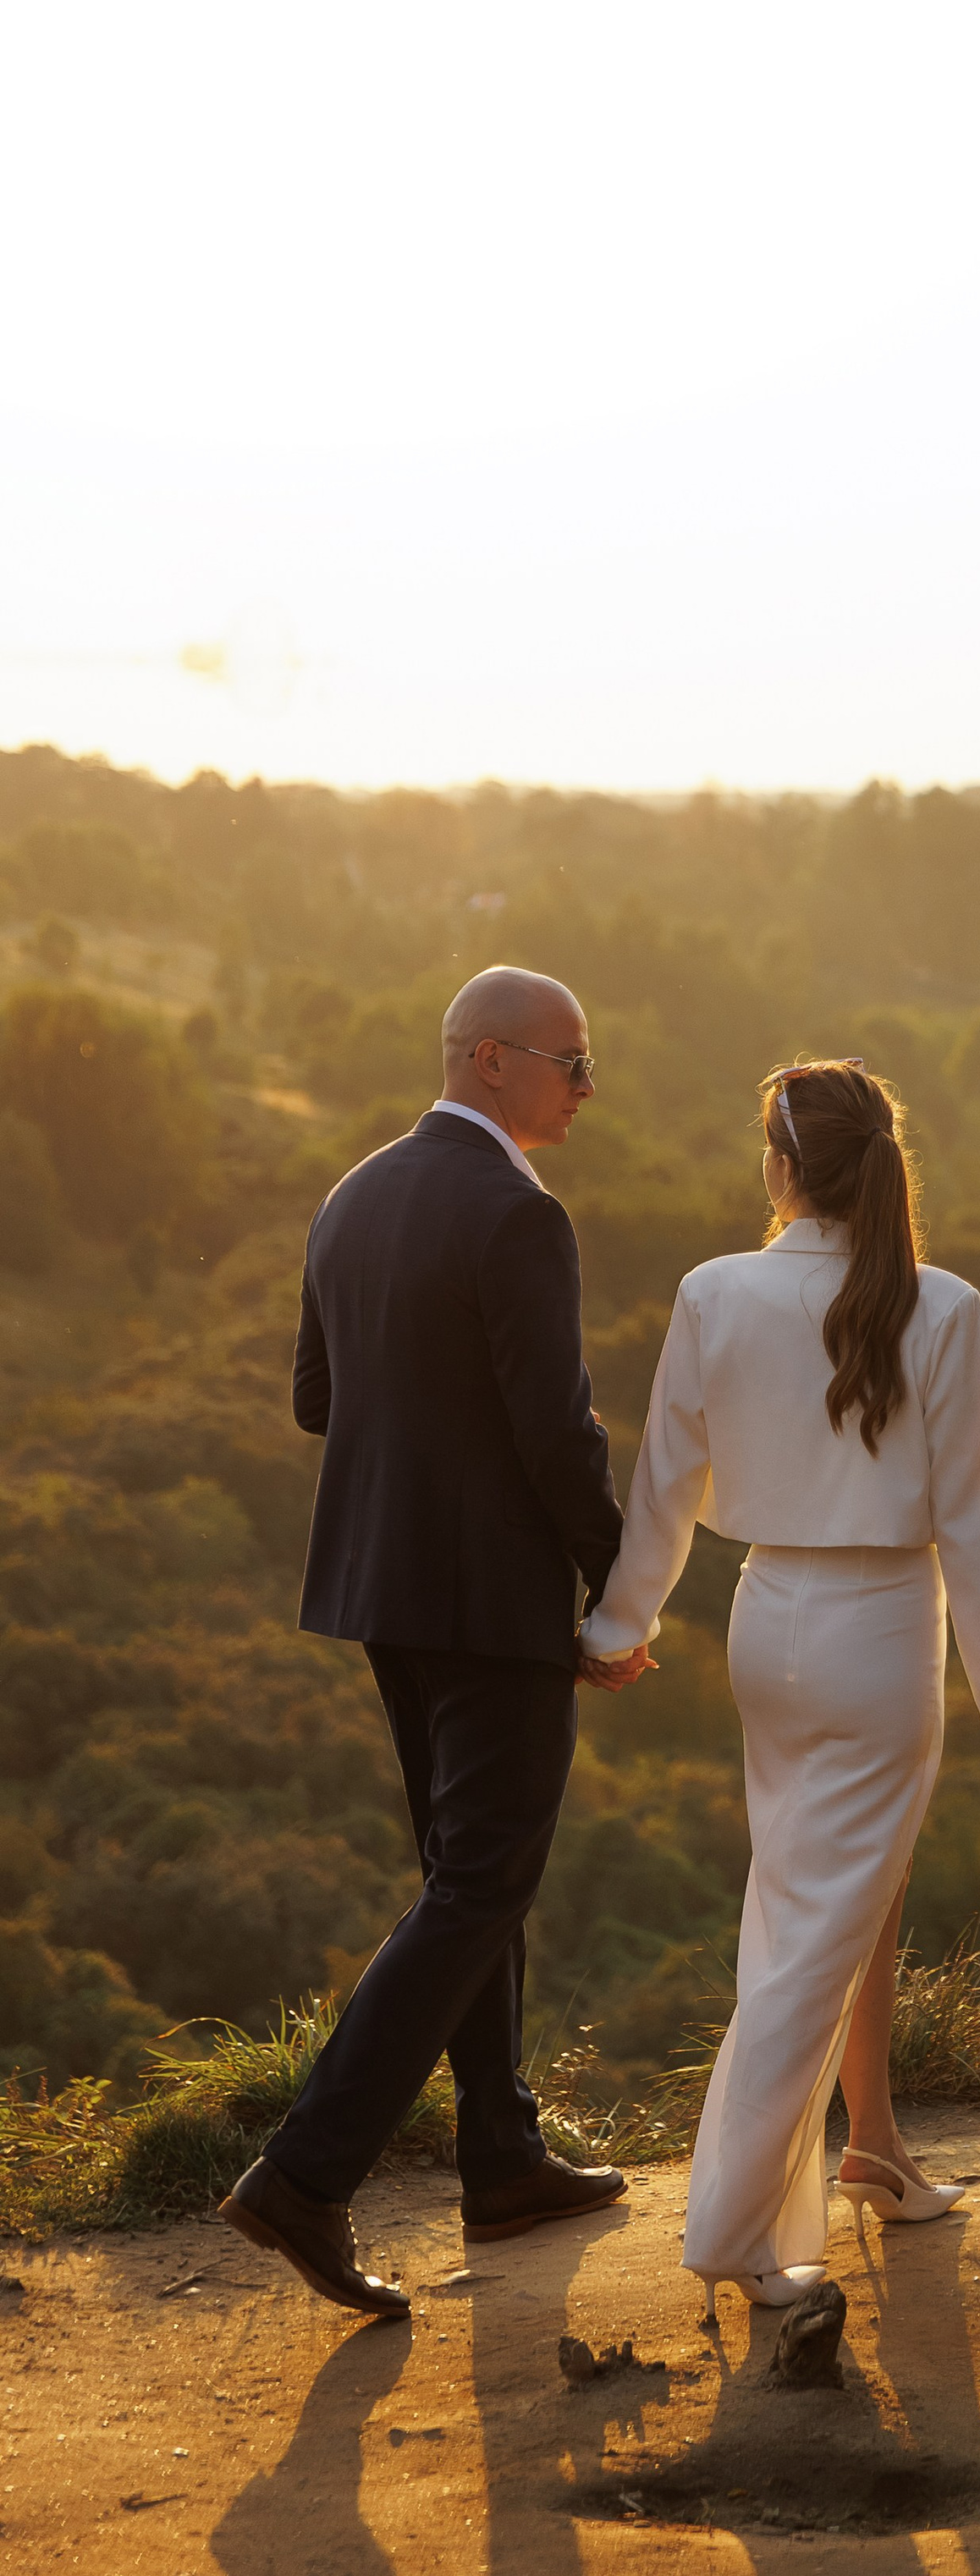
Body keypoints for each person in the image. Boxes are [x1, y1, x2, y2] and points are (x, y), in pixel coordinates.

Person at [580, 1058, 980, 2308]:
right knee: (815, 1938)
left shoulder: (712, 1291)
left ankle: (876, 2152)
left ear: (784, 1167)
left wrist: (617, 1622)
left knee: (809, 1909)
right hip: (886, 1629)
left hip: (765, 1620)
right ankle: (736, 2229)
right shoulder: (938, 1305)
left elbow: (667, 1479)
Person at [220, 966, 636, 2319]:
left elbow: (313, 1401)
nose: (587, 1087)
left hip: (382, 1592)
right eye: (572, 1063)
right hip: (489, 1601)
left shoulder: (351, 1197)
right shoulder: (518, 1212)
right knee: (480, 1886)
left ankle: (502, 2155)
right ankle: (304, 2175)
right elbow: (552, 1429)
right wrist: (615, 1584)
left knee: (469, 1883)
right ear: (488, 1060)